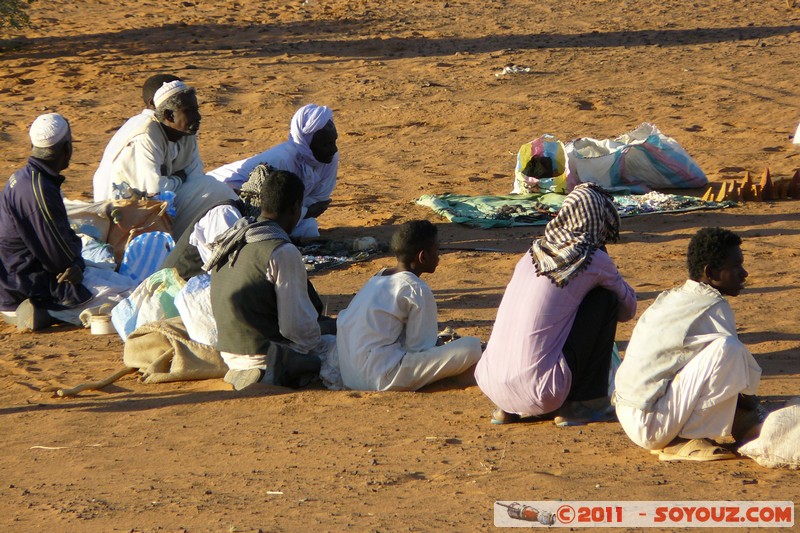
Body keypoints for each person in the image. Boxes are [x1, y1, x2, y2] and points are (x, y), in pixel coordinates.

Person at [474, 183, 637, 426]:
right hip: (544, 391)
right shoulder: (592, 258)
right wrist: (602, 277)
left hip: (490, 383)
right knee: (605, 300)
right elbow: (628, 309)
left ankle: (507, 407)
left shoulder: (532, 253)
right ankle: (585, 404)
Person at [614, 227, 763, 462]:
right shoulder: (713, 306)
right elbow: (735, 376)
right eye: (736, 266)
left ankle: (686, 432)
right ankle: (684, 440)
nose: (744, 273)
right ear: (711, 272)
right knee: (729, 350)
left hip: (632, 413)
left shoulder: (675, 296)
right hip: (652, 422)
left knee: (722, 354)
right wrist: (754, 415)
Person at [0, 113, 134, 331]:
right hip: (31, 285)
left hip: (16, 278)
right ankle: (48, 312)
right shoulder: (39, 190)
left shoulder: (26, 177)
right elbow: (59, 258)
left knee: (114, 278)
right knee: (129, 296)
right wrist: (75, 264)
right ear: (66, 148)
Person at [208, 169, 335, 391]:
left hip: (229, 353)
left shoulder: (236, 236)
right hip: (263, 356)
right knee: (348, 348)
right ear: (296, 207)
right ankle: (284, 369)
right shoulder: (281, 251)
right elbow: (296, 328)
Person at [335, 220, 482, 391]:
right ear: (423, 256)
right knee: (472, 347)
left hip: (350, 376)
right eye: (437, 250)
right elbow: (419, 349)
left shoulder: (377, 278)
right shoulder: (416, 288)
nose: (439, 256)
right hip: (381, 378)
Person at [92, 77, 238, 239]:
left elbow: (195, 176)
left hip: (160, 207)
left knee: (215, 194)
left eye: (197, 110)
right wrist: (179, 178)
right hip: (125, 217)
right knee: (213, 190)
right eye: (189, 111)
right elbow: (153, 191)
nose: (198, 117)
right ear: (169, 115)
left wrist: (173, 180)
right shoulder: (145, 134)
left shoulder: (186, 132)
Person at [208, 104, 338, 239]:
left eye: (334, 141)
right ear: (306, 142)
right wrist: (306, 212)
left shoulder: (329, 158)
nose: (333, 149)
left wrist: (304, 212)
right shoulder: (281, 161)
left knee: (308, 229)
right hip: (222, 196)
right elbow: (266, 207)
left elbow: (319, 199)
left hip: (283, 212)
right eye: (325, 144)